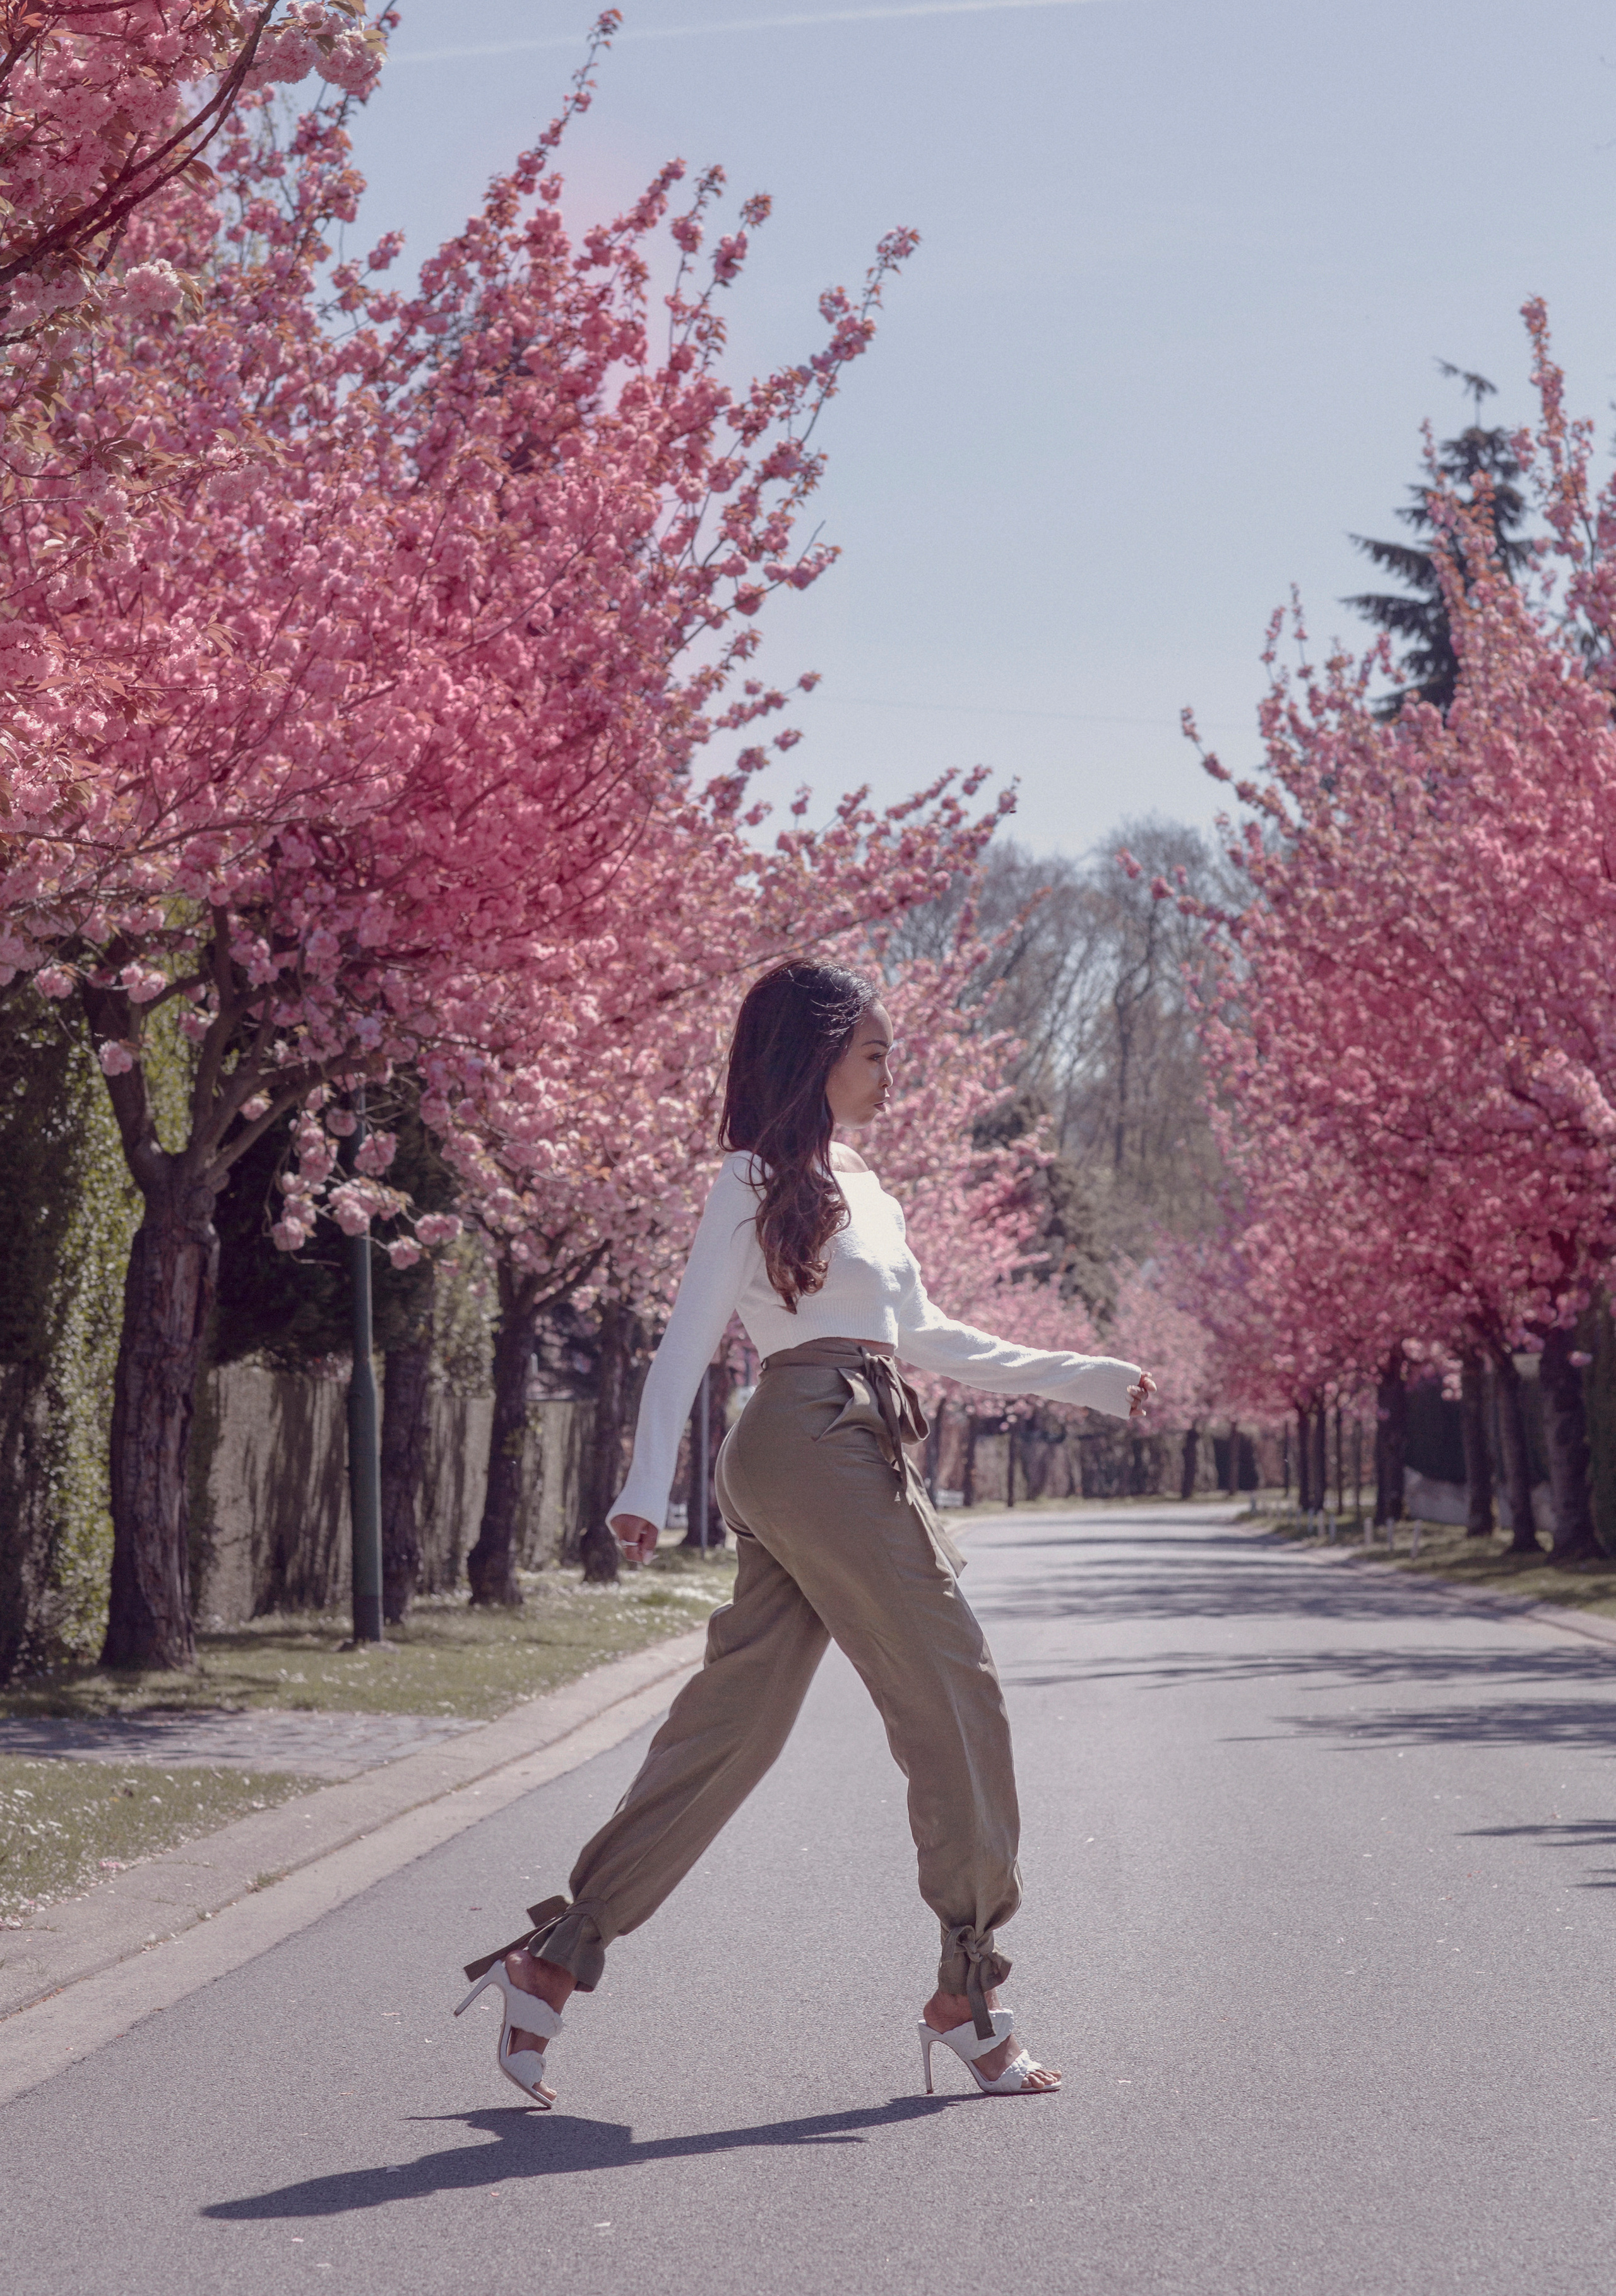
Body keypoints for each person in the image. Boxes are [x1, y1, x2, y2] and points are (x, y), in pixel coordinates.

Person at [456, 960, 1154, 2104]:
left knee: (742, 1718)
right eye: (874, 1052)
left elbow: (926, 1333)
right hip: (811, 1436)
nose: (892, 1072)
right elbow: (686, 1340)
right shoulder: (750, 1177)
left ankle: (556, 1956)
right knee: (954, 1686)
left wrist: (1085, 1375)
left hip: (849, 1437)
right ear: (816, 1056)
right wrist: (639, 1483)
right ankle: (968, 1993)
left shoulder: (868, 1186)